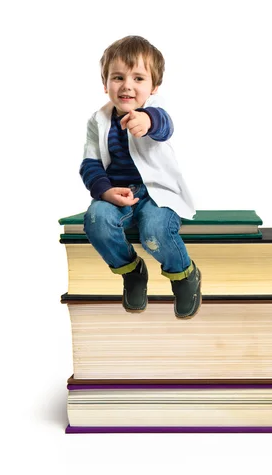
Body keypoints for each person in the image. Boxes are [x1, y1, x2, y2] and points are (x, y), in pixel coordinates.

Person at [79, 35, 201, 319]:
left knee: (155, 232)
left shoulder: (154, 114)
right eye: (118, 77)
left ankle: (184, 275)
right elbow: (90, 164)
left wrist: (148, 121)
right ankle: (132, 271)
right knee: (96, 220)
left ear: (154, 86)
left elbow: (164, 126)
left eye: (138, 78)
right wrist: (105, 191)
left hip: (156, 194)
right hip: (118, 194)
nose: (127, 86)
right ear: (105, 83)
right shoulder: (98, 120)